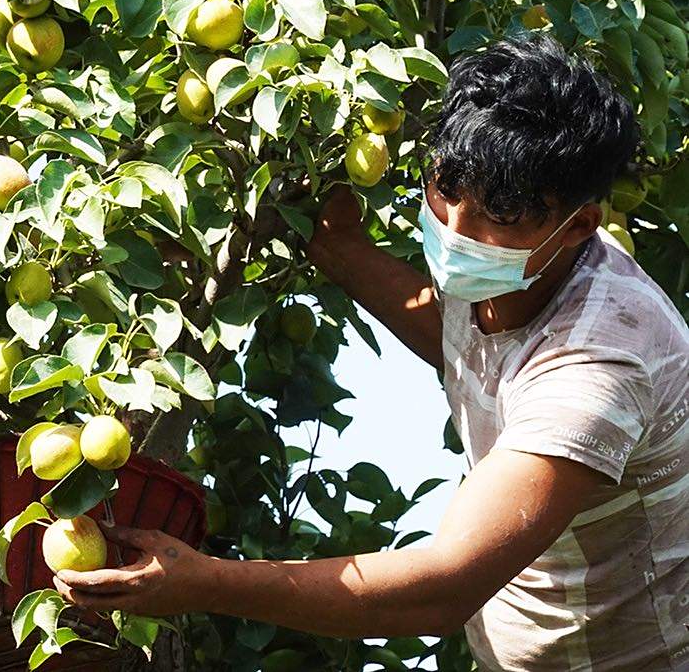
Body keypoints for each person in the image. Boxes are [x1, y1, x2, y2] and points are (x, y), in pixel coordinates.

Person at [51, 35, 689, 671]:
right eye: (446, 187)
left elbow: (442, 588)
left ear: (579, 225)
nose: (457, 229)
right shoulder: (514, 275)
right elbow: (459, 335)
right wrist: (331, 241)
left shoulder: (604, 363)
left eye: (500, 214)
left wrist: (204, 582)